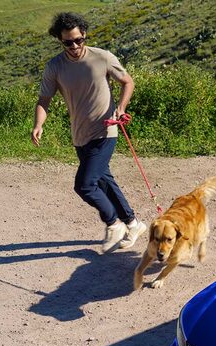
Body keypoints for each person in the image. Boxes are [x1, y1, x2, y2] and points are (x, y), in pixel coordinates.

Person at [31, 12, 146, 253]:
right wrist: (38, 124)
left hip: (106, 131)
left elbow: (128, 82)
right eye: (67, 42)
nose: (74, 46)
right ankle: (134, 224)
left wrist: (121, 108)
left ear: (84, 35)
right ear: (60, 41)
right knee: (104, 180)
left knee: (85, 185)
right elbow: (44, 100)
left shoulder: (102, 57)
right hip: (79, 135)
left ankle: (113, 222)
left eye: (77, 40)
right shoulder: (55, 67)